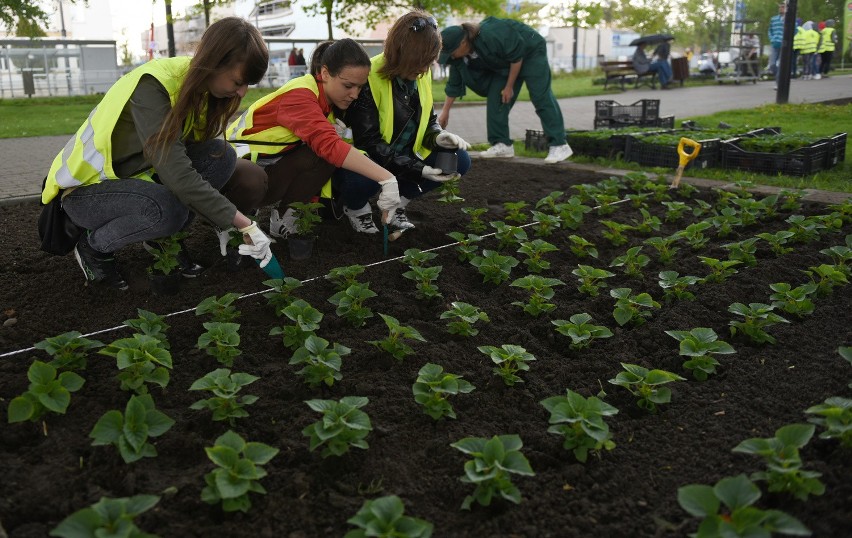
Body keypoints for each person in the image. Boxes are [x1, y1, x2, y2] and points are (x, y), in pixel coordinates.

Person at [41, 17, 272, 290]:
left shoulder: (203, 91)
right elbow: (179, 176)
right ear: (215, 62)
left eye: (248, 85)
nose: (242, 92)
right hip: (84, 190)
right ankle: (93, 246)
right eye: (238, 81)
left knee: (219, 155)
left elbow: (192, 160)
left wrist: (229, 222)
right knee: (166, 209)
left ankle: (164, 240)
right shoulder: (154, 86)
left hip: (135, 179)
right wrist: (243, 223)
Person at [227, 39, 402, 238]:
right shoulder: (300, 96)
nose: (354, 94)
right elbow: (329, 144)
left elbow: (333, 148)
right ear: (325, 73)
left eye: (360, 87)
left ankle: (285, 221)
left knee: (322, 157)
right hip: (233, 176)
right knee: (255, 180)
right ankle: (233, 226)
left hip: (264, 165)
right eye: (348, 85)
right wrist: (387, 179)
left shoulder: (326, 102)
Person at [335, 11, 472, 234]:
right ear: (399, 54)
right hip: (370, 158)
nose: (424, 69)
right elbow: (369, 143)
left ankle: (398, 202)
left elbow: (428, 120)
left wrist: (437, 136)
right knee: (365, 179)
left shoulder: (421, 73)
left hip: (402, 158)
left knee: (460, 160)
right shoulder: (369, 77)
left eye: (429, 62)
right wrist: (421, 169)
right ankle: (356, 208)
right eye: (419, 63)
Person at [436, 17, 572, 164]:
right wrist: (445, 111)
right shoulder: (459, 58)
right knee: (497, 98)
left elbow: (517, 56)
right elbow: (454, 84)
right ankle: (502, 144)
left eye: (451, 52)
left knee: (540, 95)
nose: (451, 56)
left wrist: (509, 86)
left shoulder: (490, 34)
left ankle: (559, 144)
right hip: (506, 63)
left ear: (462, 42)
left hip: (530, 51)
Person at [767, 3, 785, 79]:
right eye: (780, 7)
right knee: (772, 64)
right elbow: (770, 30)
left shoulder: (789, 19)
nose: (781, 8)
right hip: (775, 43)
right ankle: (778, 77)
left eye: (783, 7)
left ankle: (778, 83)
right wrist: (772, 38)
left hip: (784, 44)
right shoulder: (773, 19)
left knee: (781, 64)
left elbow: (795, 30)